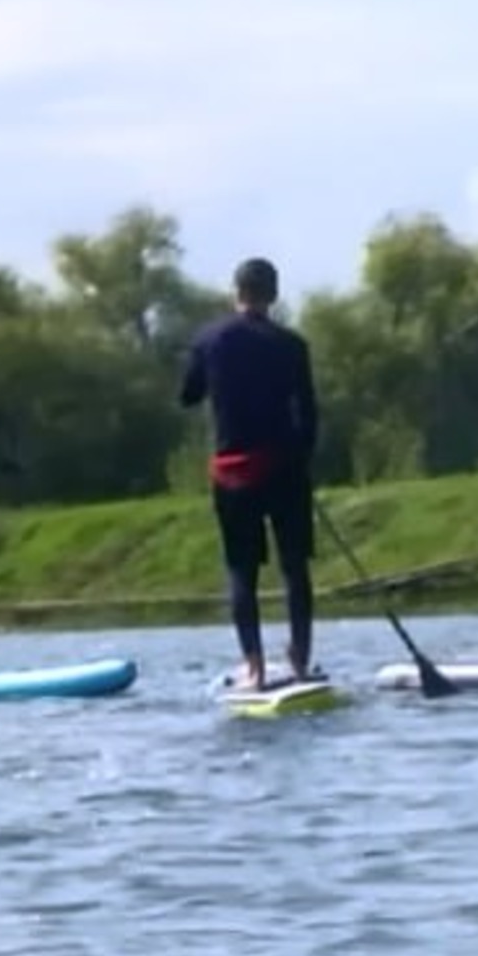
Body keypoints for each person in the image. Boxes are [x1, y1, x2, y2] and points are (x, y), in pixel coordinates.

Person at [179, 257, 320, 690]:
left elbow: (187, 395)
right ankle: (299, 660)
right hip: (284, 467)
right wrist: (302, 457)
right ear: (273, 295)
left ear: (235, 291)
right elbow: (310, 414)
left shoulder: (209, 339)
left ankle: (254, 669)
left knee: (242, 572)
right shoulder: (292, 344)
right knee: (295, 568)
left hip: (232, 472)